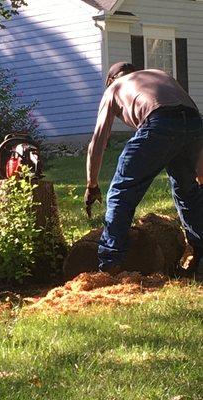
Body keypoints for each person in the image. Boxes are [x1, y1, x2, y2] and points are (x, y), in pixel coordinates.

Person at [84, 61, 203, 280]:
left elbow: (98, 141)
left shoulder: (114, 88)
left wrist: (92, 185)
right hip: (194, 124)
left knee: (121, 192)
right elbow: (187, 118)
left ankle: (109, 265)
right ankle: (200, 258)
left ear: (110, 80)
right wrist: (200, 175)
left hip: (159, 123)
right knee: (189, 193)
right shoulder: (157, 74)